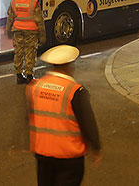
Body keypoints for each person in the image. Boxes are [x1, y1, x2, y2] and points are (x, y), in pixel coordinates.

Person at [27, 45, 103, 186]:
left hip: (43, 154)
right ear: (69, 66)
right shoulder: (75, 91)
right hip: (69, 157)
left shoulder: (35, 87)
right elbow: (88, 122)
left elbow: (30, 117)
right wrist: (96, 147)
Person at [7, 0, 45, 84]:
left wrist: (8, 30)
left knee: (18, 52)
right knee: (30, 53)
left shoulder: (14, 2)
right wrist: (42, 35)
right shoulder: (33, 2)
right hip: (31, 32)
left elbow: (10, 18)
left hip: (17, 31)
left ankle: (19, 75)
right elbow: (39, 20)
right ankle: (29, 76)